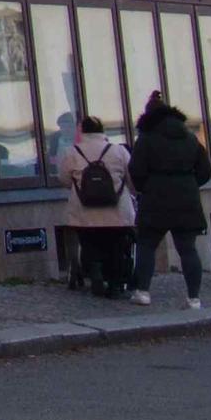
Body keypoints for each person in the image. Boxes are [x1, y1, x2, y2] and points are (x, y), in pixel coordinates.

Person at [129, 91, 211, 308]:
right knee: (188, 249)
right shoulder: (190, 138)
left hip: (156, 196)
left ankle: (143, 292)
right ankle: (194, 297)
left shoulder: (146, 139)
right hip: (187, 197)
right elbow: (205, 170)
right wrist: (190, 184)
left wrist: (145, 188)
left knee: (146, 245)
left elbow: (136, 170)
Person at [52, 109, 137, 299]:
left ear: (82, 132)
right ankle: (115, 285)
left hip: (84, 210)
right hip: (117, 210)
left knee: (90, 245)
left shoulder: (72, 152)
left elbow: (65, 179)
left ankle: (96, 278)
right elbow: (132, 179)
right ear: (102, 131)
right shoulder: (118, 150)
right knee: (116, 247)